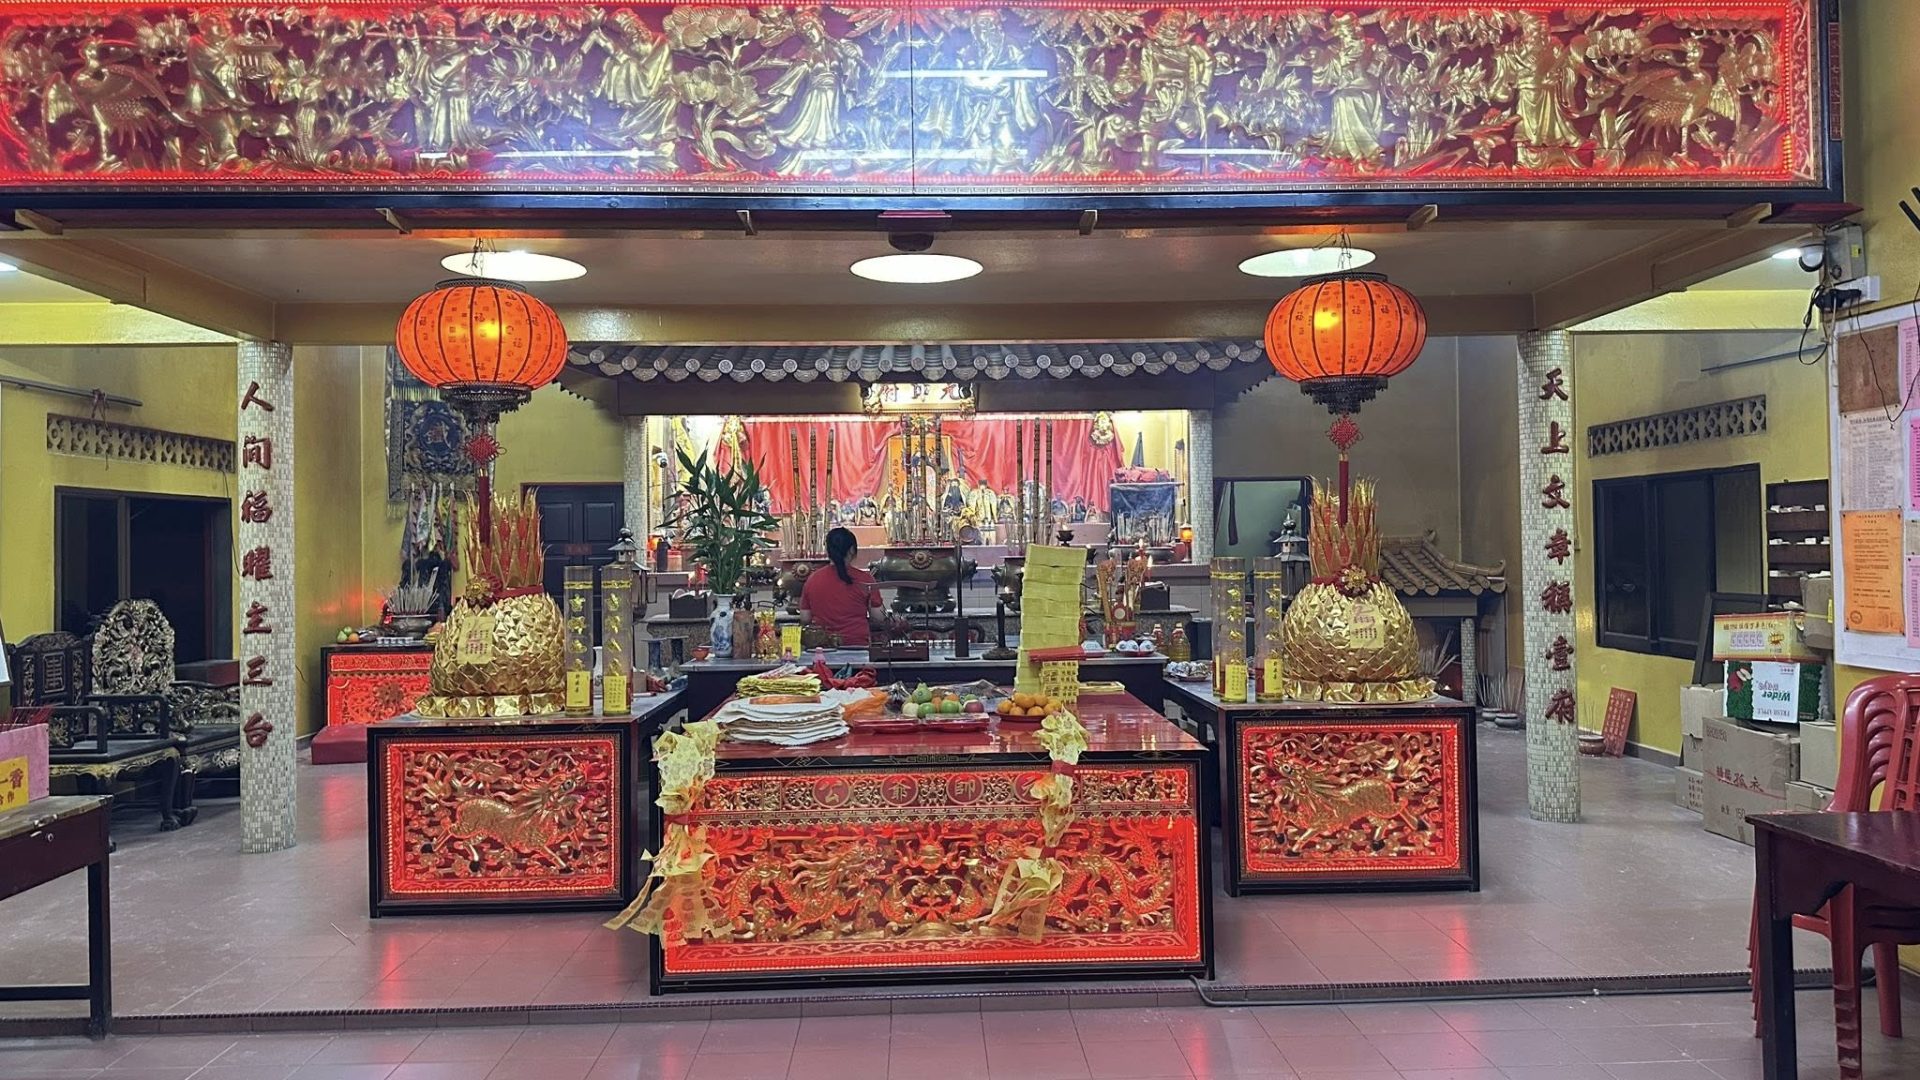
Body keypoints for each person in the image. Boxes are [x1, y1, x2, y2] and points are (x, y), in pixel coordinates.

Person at [799, 528, 883, 647]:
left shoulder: (812, 580)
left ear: (828, 551)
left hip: (823, 647)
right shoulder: (865, 579)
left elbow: (805, 618)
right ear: (852, 550)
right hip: (857, 645)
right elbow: (878, 617)